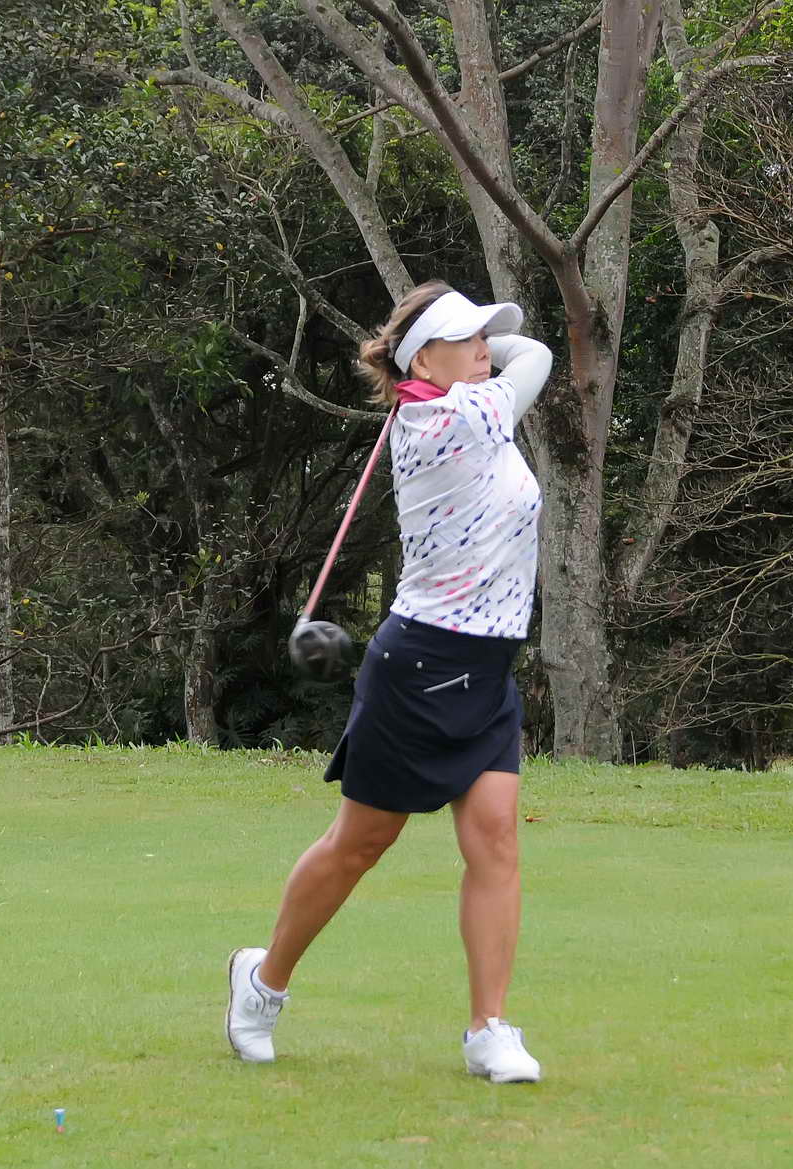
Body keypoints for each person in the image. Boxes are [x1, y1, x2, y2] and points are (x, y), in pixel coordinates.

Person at [225, 281, 551, 1083]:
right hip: (421, 669)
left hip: (487, 667)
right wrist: (440, 371)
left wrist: (444, 360)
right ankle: (262, 981)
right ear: (424, 363)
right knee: (360, 843)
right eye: (466, 338)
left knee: (496, 840)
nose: (485, 348)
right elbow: (537, 357)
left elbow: (511, 358)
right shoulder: (449, 420)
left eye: (485, 337)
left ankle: (489, 1028)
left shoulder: (460, 403)